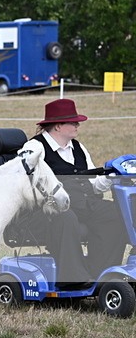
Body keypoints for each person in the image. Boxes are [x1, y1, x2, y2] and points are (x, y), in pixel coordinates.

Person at [30, 98, 128, 290]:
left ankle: (101, 273)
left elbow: (93, 185)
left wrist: (110, 174)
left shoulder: (78, 148)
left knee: (116, 215)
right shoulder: (34, 148)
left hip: (84, 203)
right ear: (58, 126)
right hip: (48, 209)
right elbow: (26, 180)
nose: (77, 125)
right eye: (73, 122)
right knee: (66, 218)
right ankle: (72, 279)